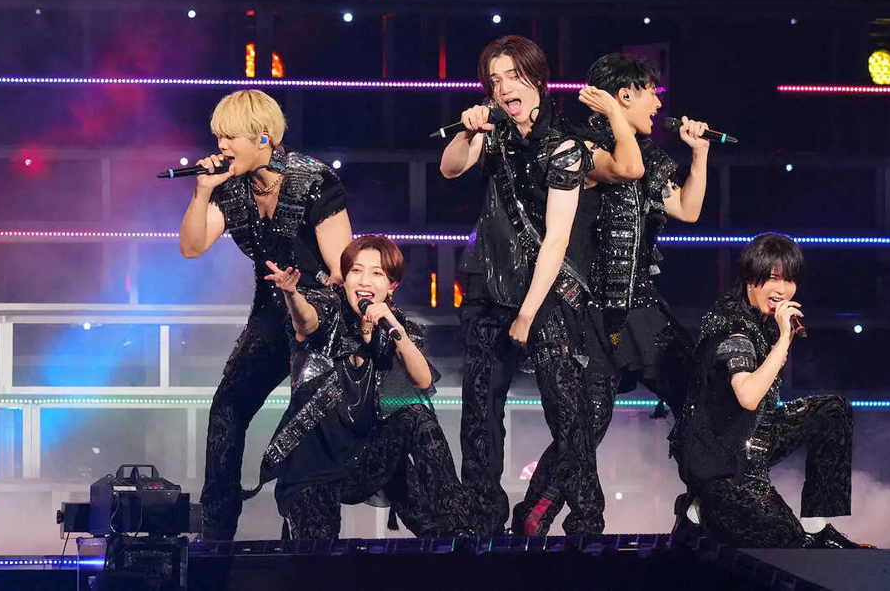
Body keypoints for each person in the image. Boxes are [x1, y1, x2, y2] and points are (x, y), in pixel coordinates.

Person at [513, 52, 712, 535]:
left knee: (696, 395)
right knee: (587, 423)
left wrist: (700, 155)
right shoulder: (583, 148)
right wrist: (614, 118)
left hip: (643, 307)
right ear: (624, 96)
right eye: (651, 95)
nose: (658, 106)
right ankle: (533, 518)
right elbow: (628, 169)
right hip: (594, 311)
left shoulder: (649, 152)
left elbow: (687, 210)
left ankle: (704, 507)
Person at [441, 35, 631, 537]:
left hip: (544, 292)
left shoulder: (565, 146)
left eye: (513, 76)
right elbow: (450, 168)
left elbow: (557, 239)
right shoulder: (491, 131)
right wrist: (468, 131)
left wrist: (528, 312)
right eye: (495, 80)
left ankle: (586, 519)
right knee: (479, 409)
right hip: (486, 284)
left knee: (567, 409)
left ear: (538, 80)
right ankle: (483, 518)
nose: (505, 87)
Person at [178, 89, 352, 540]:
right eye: (218, 137)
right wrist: (202, 191)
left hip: (320, 320)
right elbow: (191, 247)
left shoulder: (313, 180)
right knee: (227, 408)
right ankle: (216, 531)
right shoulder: (232, 188)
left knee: (302, 421)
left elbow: (343, 269)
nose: (221, 146)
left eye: (230, 137)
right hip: (272, 316)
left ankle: (307, 534)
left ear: (263, 138)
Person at [243, 235, 466, 539]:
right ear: (345, 278)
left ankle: (458, 527)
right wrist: (292, 295)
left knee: (416, 415)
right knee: (317, 551)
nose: (364, 281)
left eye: (376, 273)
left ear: (391, 285)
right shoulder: (328, 308)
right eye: (356, 271)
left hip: (364, 459)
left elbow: (423, 381)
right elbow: (305, 322)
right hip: (314, 465)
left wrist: (395, 329)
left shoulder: (392, 326)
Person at [670, 233, 867, 548]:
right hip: (720, 460)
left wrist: (779, 337)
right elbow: (748, 396)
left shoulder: (765, 320)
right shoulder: (733, 328)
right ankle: (699, 510)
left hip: (752, 440)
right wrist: (785, 339)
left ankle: (816, 527)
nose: (783, 290)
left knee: (834, 410)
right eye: (774, 278)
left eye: (790, 280)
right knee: (785, 538)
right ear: (751, 278)